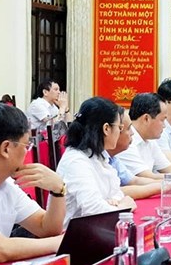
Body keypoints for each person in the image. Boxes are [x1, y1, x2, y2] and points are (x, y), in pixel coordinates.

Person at [0, 103, 66, 263]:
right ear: (6, 148)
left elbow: (46, 228)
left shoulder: (7, 185)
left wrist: (58, 189)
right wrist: (58, 243)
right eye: (27, 145)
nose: (28, 151)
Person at [56, 97, 135, 226]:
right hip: (72, 237)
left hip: (96, 228)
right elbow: (94, 210)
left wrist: (115, 201)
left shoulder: (99, 154)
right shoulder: (76, 162)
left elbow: (116, 192)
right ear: (106, 129)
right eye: (119, 128)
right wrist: (125, 206)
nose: (120, 133)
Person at [107, 107, 161, 199]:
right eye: (128, 129)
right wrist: (162, 186)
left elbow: (134, 180)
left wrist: (168, 183)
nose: (132, 133)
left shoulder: (113, 158)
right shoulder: (85, 159)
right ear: (106, 129)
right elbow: (114, 192)